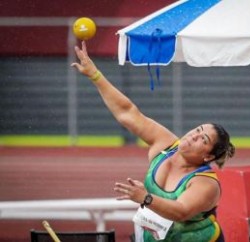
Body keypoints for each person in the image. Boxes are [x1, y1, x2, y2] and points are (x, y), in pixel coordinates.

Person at [71, 41, 235, 242]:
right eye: (198, 129)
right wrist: (95, 75)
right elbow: (128, 113)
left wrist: (146, 197)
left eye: (203, 139)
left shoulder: (204, 182)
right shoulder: (166, 145)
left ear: (208, 155)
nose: (194, 135)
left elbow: (181, 211)